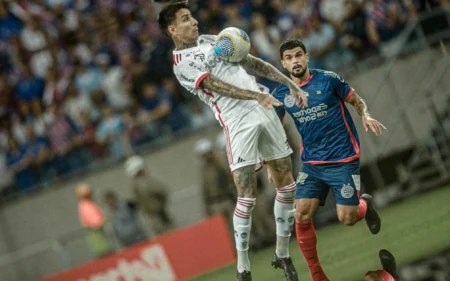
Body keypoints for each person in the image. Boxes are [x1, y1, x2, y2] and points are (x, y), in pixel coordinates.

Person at [157, 2, 309, 280]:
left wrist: (289, 82)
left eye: (192, 17)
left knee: (286, 182)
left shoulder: (213, 40)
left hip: (264, 109)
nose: (194, 22)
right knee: (247, 195)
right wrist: (255, 96)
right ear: (173, 29)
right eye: (186, 19)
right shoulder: (183, 65)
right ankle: (243, 269)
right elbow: (216, 86)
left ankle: (282, 254)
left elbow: (249, 61)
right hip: (238, 123)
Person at [271, 39, 386, 281]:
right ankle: (317, 275)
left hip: (344, 159)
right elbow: (272, 128)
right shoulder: (281, 92)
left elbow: (357, 100)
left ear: (307, 57)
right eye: (289, 57)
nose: (295, 61)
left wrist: (365, 114)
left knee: (347, 218)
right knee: (300, 213)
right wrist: (270, 160)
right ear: (283, 63)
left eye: (299, 55)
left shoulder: (328, 79)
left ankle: (365, 205)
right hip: (312, 164)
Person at [124, 155, 173, 236]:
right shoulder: (145, 182)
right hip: (157, 214)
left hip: (154, 215)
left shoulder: (137, 185)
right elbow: (162, 191)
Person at [76, 184, 114, 259]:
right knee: (105, 253)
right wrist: (105, 217)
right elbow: (96, 222)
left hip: (97, 232)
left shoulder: (87, 204)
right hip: (96, 234)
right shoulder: (85, 206)